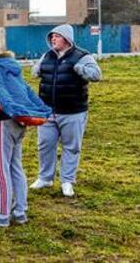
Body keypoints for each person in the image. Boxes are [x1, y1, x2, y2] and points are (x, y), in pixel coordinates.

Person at [0, 37, 52, 227]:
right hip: (18, 122)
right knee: (15, 167)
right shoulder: (9, 65)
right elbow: (26, 91)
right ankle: (20, 212)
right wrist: (38, 109)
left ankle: (1, 215)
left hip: (3, 122)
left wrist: (12, 110)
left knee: (0, 169)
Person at [29, 24, 102, 197]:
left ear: (67, 39)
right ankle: (45, 178)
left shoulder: (82, 56)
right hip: (48, 111)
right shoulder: (47, 56)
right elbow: (34, 72)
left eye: (57, 36)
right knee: (45, 145)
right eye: (51, 37)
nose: (53, 39)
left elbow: (96, 75)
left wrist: (80, 69)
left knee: (71, 147)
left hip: (73, 112)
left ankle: (67, 181)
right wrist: (37, 69)